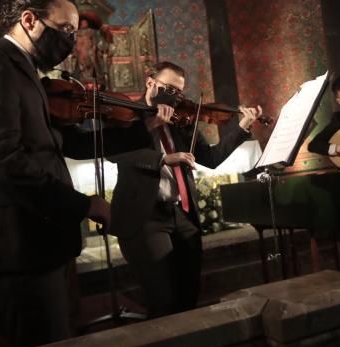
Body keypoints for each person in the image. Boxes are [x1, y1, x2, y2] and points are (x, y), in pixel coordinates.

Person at [0, 0, 151, 347]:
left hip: (35, 243)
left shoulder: (24, 74)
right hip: (13, 249)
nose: (71, 43)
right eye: (64, 30)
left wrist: (144, 127)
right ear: (29, 20)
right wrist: (85, 204)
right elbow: (2, 161)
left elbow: (67, 143)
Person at [109, 61, 262, 317]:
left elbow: (211, 158)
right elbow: (116, 154)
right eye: (168, 88)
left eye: (179, 92)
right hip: (147, 216)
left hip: (182, 213)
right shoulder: (127, 115)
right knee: (164, 299)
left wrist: (242, 127)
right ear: (150, 83)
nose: (175, 97)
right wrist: (161, 158)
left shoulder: (182, 121)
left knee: (189, 293)